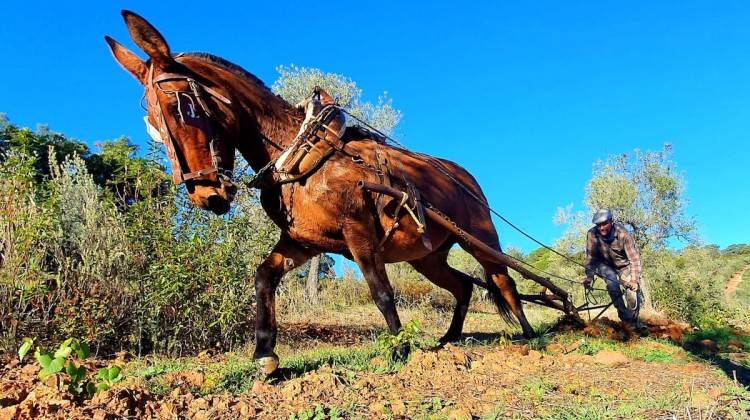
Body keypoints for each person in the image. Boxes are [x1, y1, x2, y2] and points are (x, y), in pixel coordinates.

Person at [582, 209, 644, 328]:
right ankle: (625, 320)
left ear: (611, 221)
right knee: (611, 283)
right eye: (598, 225)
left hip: (624, 266)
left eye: (604, 224)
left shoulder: (624, 234)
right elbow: (591, 258)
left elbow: (635, 259)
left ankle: (634, 323)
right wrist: (589, 277)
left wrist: (634, 280)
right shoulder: (591, 234)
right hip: (604, 265)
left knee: (632, 292)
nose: (601, 228)